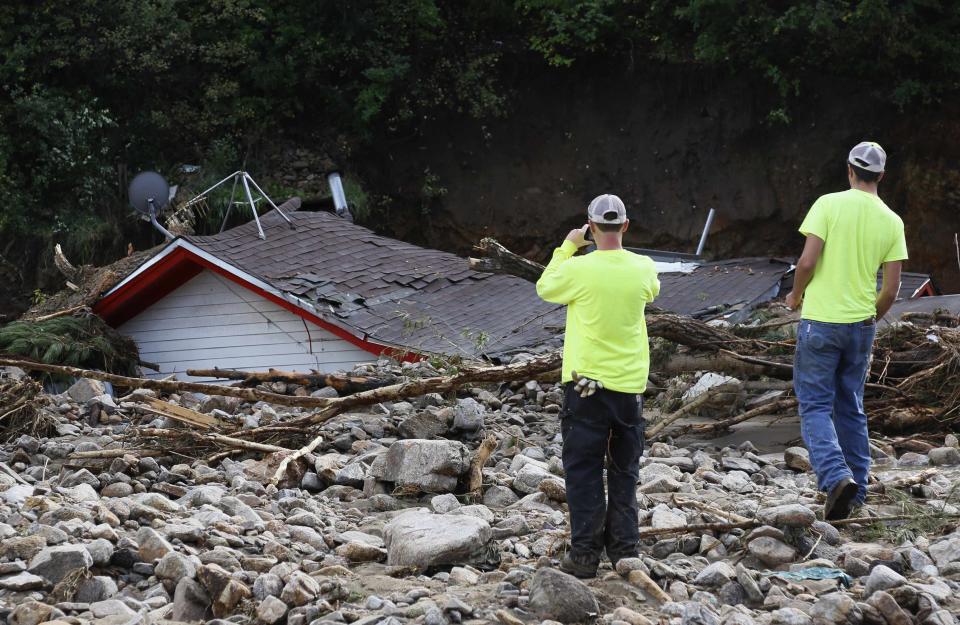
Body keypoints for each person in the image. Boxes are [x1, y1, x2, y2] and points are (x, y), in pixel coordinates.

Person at [536, 194, 660, 578]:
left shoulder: (579, 269)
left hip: (585, 386)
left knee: (584, 469)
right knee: (624, 470)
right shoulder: (643, 268)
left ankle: (585, 555)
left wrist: (568, 246)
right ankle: (624, 549)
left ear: (591, 226)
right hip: (629, 388)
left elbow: (545, 287)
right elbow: (653, 290)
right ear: (625, 226)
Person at [786, 141, 908, 520]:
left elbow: (807, 261)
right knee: (851, 406)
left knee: (815, 404)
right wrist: (871, 316)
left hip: (821, 321)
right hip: (861, 325)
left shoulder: (827, 204)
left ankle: (835, 476)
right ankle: (857, 492)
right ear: (882, 176)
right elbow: (891, 289)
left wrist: (795, 295)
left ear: (850, 170)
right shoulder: (892, 220)